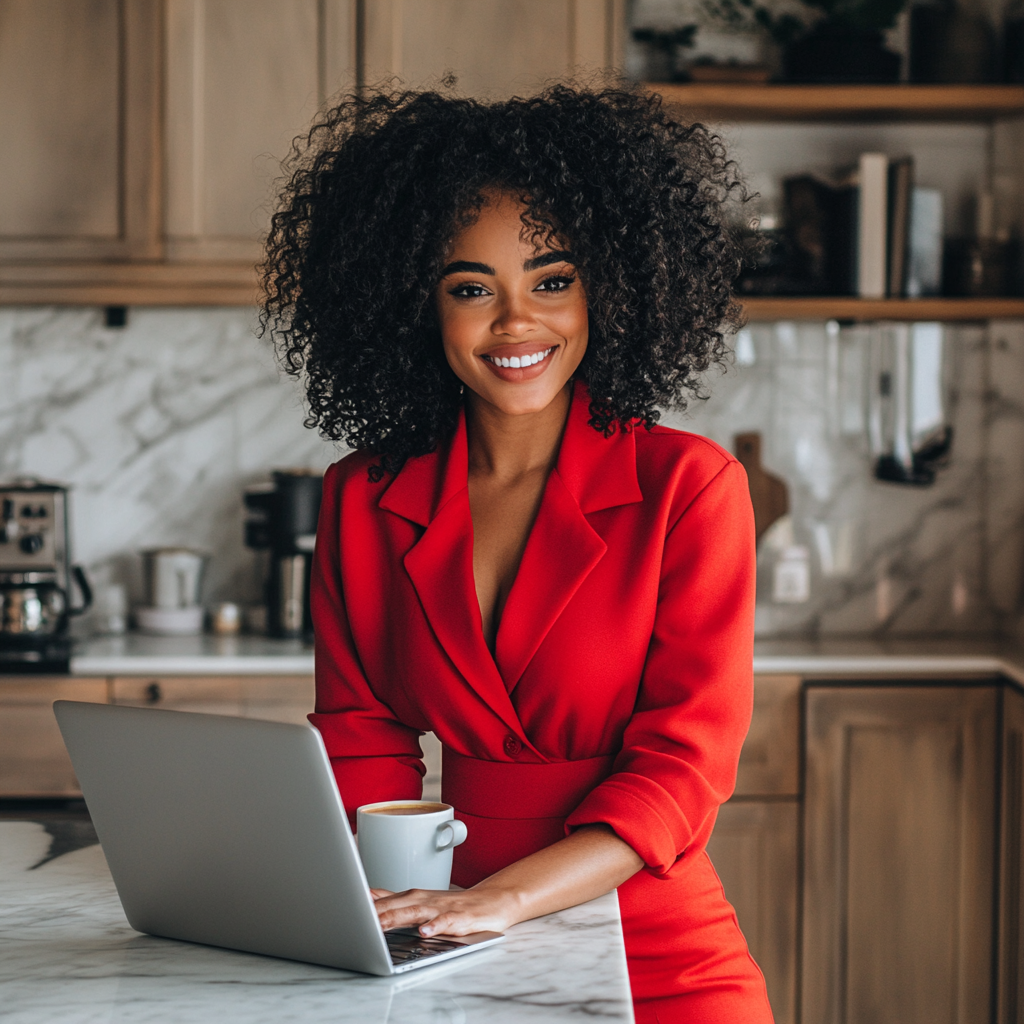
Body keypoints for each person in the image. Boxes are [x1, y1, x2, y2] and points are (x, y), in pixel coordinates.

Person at [261, 84, 773, 1023]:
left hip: (650, 941)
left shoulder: (688, 488)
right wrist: (398, 912)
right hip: (438, 938)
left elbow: (682, 769)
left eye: (551, 279)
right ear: (414, 305)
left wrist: (502, 900)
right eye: (469, 288)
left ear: (610, 286)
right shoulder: (362, 497)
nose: (515, 324)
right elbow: (363, 732)